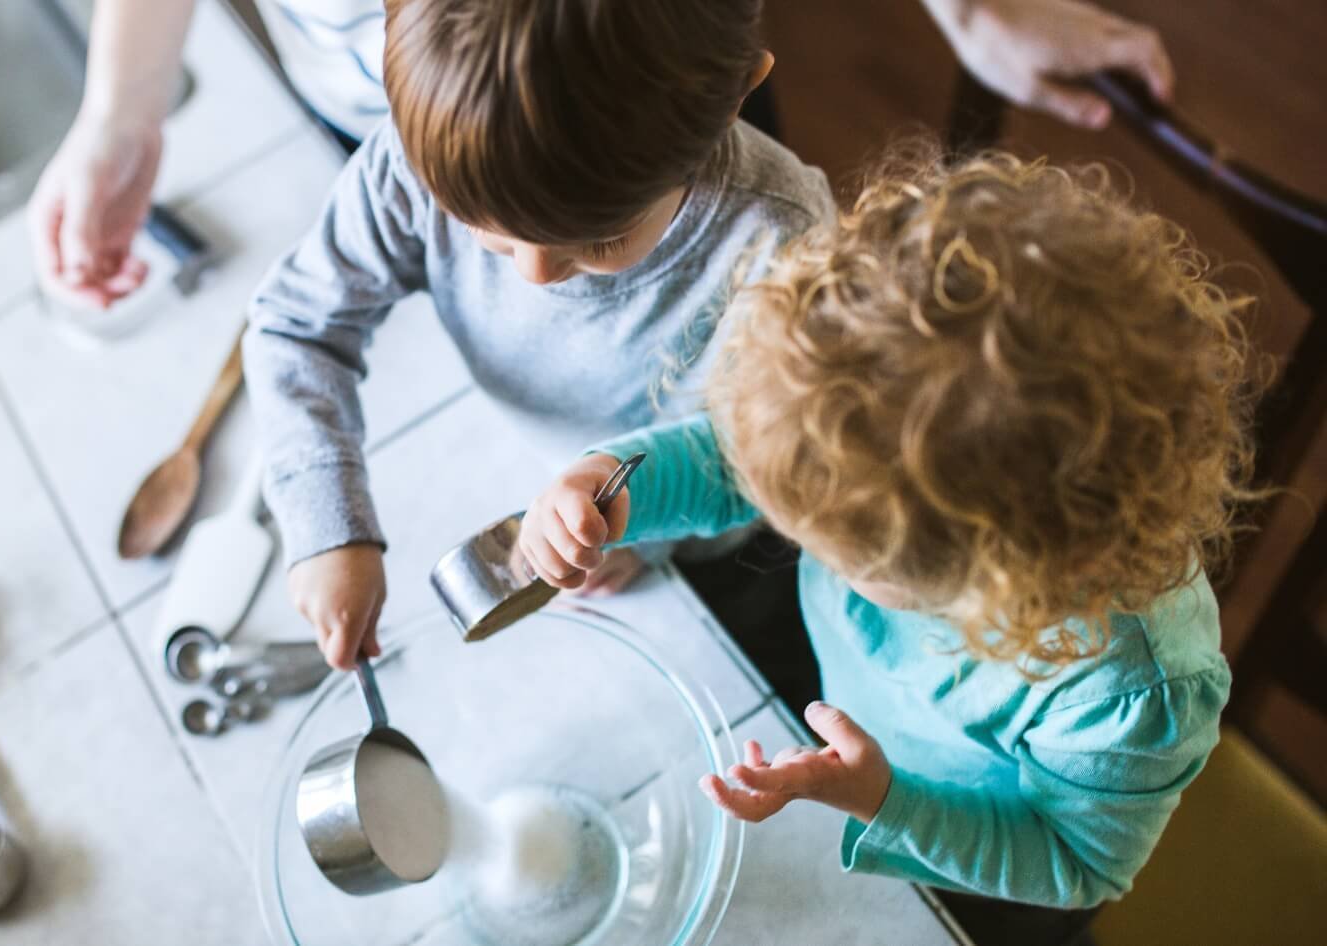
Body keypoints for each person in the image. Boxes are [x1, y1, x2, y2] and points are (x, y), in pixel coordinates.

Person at [514, 150, 1254, 945]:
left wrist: (884, 800)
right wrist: (611, 483)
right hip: (854, 722)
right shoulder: (870, 444)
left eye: (829, 548)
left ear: (991, 575)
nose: (788, 532)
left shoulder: (1132, 698)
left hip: (966, 875)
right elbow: (739, 462)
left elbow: (1076, 861)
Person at [246, 0, 833, 669]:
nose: (537, 274)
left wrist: (640, 521)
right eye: (485, 236)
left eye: (599, 239)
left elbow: (773, 454)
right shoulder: (423, 156)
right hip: (555, 479)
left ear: (737, 92)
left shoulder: (782, 241)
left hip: (712, 545)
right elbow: (298, 326)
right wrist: (327, 527)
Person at [29, 0, 1176, 309]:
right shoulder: (404, 163)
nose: (519, 267)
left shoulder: (746, 207)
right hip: (373, 118)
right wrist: (120, 113)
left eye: (582, 239)